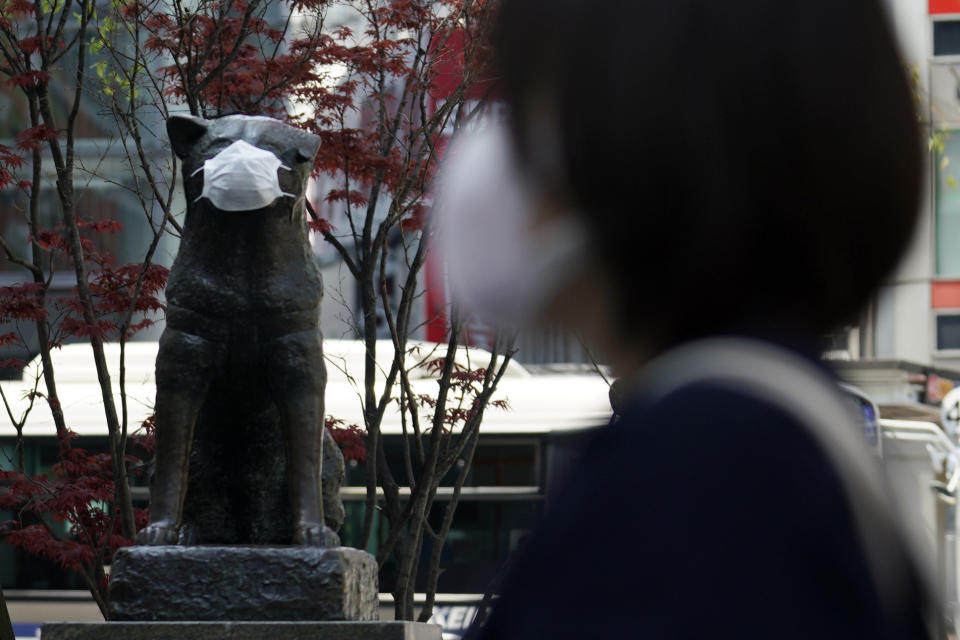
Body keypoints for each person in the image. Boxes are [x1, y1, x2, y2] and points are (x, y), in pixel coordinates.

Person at [436, 0, 934, 637]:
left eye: (525, 103)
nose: (498, 160)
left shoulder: (693, 485)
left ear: (638, 144)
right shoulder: (773, 443)